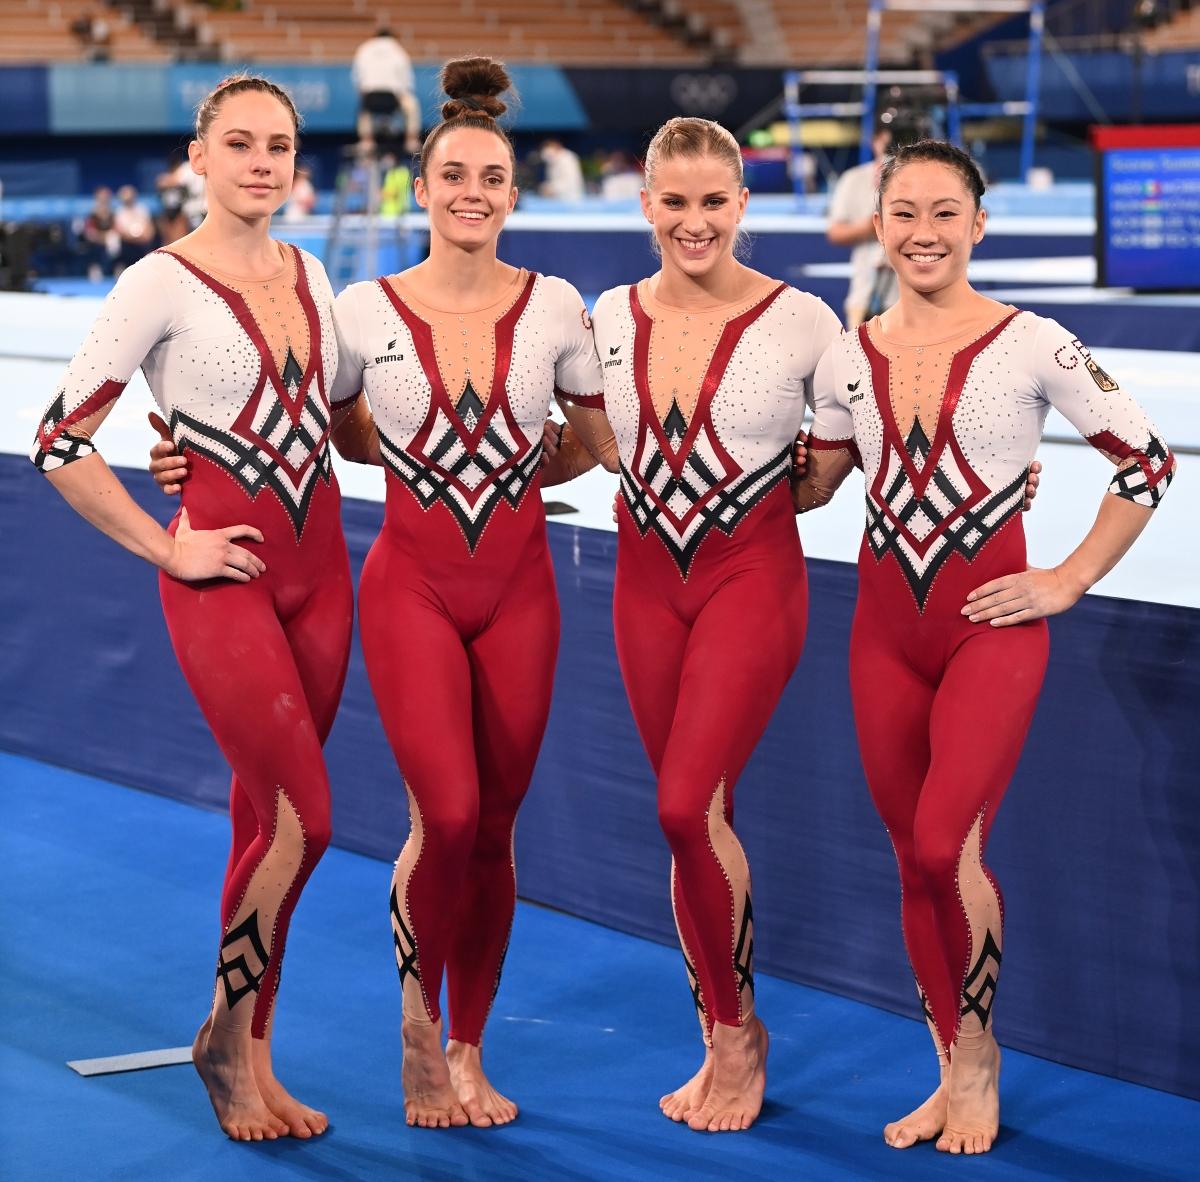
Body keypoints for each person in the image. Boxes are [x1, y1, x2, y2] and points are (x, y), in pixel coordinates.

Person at [796, 140, 1175, 1155]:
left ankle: (979, 1056)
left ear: (978, 224)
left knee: (938, 844)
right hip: (882, 633)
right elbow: (813, 483)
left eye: (945, 212)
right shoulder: (845, 353)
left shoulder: (1033, 344)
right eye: (904, 212)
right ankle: (949, 1059)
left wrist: (1069, 575)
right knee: (913, 862)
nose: (923, 232)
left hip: (987, 632)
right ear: (877, 223)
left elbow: (1146, 459)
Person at [31, 74, 358, 1143]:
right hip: (224, 582)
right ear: (200, 157)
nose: (263, 162)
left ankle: (254, 1052)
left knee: (267, 823)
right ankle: (223, 1033)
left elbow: (341, 421)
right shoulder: (155, 284)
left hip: (323, 579)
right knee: (309, 819)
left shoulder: (313, 271)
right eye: (242, 144)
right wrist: (165, 544)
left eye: (281, 146)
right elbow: (60, 440)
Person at [327, 57, 608, 1129]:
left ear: (512, 194)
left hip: (520, 593)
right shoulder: (365, 306)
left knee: (493, 828)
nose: (472, 193)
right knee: (441, 815)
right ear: (422, 186)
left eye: (491, 177)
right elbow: (347, 431)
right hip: (414, 592)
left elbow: (592, 441)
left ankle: (469, 1043)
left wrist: (507, 474)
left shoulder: (556, 309)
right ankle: (414, 1018)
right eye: (453, 176)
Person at [551, 116, 842, 1133]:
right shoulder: (606, 318)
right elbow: (579, 445)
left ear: (742, 206)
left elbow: (857, 447)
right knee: (691, 817)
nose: (693, 221)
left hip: (749, 578)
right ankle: (723, 1030)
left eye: (713, 202)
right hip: (644, 583)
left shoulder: (803, 318)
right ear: (645, 207)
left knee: (684, 808)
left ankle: (737, 1033)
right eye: (673, 202)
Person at [826, 122, 897, 328]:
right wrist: (870, 228)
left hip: (913, 301)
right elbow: (835, 232)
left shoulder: (927, 180)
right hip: (865, 295)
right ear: (875, 140)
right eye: (887, 139)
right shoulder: (854, 179)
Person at [353, 26, 421, 156]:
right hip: (393, 96)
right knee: (412, 105)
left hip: (370, 97)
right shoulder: (399, 50)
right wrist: (402, 93)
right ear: (392, 37)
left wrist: (364, 92)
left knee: (364, 109)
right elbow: (407, 80)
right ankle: (410, 140)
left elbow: (357, 78)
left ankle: (367, 140)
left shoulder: (364, 49)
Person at [113, 184, 156, 271]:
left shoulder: (143, 209)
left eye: (130, 195)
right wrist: (133, 238)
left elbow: (149, 230)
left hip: (142, 245)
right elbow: (120, 232)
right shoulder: (119, 212)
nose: (128, 198)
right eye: (125, 196)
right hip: (127, 246)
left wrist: (143, 237)